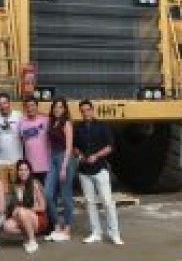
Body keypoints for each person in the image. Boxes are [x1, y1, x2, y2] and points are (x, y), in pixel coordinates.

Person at [73, 99, 123, 245]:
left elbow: (110, 146)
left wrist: (96, 156)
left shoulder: (102, 126)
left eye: (87, 110)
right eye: (82, 111)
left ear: (92, 110)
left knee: (107, 202)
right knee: (90, 203)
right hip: (84, 171)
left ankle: (115, 233)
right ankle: (96, 232)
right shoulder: (78, 128)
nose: (85, 113)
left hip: (100, 169)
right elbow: (75, 147)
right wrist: (80, 155)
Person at [44, 97, 75, 242]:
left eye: (60, 107)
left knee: (65, 196)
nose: (57, 109)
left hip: (65, 159)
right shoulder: (51, 122)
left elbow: (69, 147)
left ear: (65, 109)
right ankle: (57, 224)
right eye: (55, 107)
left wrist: (64, 167)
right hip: (53, 159)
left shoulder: (66, 123)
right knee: (48, 194)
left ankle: (67, 228)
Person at [3, 159, 47, 254]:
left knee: (22, 211)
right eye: (20, 170)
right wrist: (15, 210)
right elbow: (12, 206)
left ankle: (32, 241)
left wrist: (25, 209)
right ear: (17, 172)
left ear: (29, 171)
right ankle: (27, 236)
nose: (23, 172)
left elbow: (43, 207)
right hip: (22, 216)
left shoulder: (34, 183)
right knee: (7, 226)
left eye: (26, 170)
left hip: (38, 218)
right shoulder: (15, 186)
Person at [0, 92, 23, 187]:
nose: (3, 106)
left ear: (9, 103)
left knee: (17, 189)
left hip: (16, 160)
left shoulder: (19, 116)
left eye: (5, 103)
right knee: (3, 190)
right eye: (0, 104)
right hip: (0, 161)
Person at [19, 97, 50, 184]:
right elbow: (22, 141)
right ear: (25, 108)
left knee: (46, 194)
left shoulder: (46, 120)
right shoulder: (21, 122)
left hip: (45, 166)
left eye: (32, 105)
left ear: (37, 106)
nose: (30, 108)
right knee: (32, 194)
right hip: (29, 166)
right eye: (27, 106)